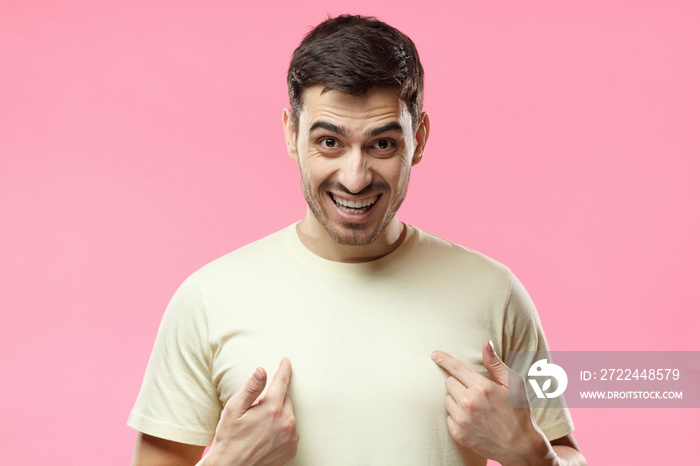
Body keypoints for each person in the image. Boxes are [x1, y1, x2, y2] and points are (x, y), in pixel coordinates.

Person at [128, 14, 586, 466]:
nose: (355, 177)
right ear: (292, 133)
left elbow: (565, 452)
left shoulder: (497, 293)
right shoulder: (207, 300)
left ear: (419, 138)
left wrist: (533, 457)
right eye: (329, 142)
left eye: (382, 144)